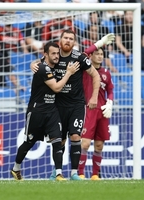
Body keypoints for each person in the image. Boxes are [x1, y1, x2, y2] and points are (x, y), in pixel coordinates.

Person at [31, 30, 115, 180]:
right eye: (66, 38)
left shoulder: (79, 58)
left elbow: (95, 75)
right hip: (57, 105)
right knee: (60, 139)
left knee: (76, 136)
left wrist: (94, 97)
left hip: (77, 105)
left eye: (71, 39)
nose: (68, 41)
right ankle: (56, 172)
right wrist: (33, 63)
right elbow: (41, 62)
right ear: (60, 40)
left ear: (74, 42)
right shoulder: (54, 55)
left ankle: (75, 173)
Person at [11, 42, 80, 181]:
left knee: (58, 140)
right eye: (53, 54)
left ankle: (59, 174)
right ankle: (16, 168)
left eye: (57, 53)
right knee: (29, 143)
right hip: (37, 111)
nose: (56, 56)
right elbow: (56, 88)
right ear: (46, 55)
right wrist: (69, 73)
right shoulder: (43, 68)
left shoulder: (53, 64)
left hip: (52, 110)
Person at [78, 48, 114, 180]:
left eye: (101, 54)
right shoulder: (85, 70)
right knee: (85, 143)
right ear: (91, 56)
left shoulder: (106, 73)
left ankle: (95, 175)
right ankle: (80, 173)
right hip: (88, 109)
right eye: (97, 54)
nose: (99, 56)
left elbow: (110, 90)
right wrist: (98, 44)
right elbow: (83, 54)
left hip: (102, 111)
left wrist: (110, 102)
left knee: (99, 145)